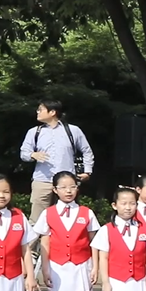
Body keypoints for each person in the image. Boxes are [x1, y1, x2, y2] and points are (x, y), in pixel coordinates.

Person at [35, 171, 100, 291]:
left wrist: (95, 267)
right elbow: (44, 243)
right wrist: (45, 269)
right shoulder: (48, 213)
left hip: (81, 264)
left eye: (72, 186)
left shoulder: (86, 213)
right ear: (55, 190)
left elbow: (94, 242)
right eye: (63, 187)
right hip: (58, 266)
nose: (68, 191)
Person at [18, 101, 95, 248]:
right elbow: (23, 153)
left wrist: (87, 171)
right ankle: (30, 255)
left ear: (52, 112)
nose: (37, 112)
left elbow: (86, 151)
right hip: (42, 179)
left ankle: (66, 249)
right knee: (36, 219)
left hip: (66, 182)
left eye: (40, 109)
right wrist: (33, 154)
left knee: (67, 217)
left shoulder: (73, 130)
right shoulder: (34, 132)